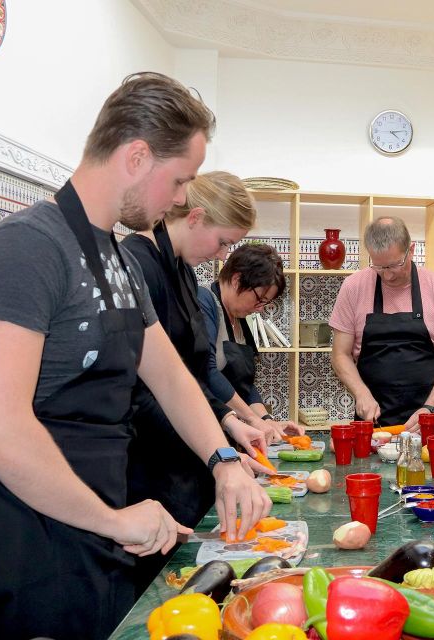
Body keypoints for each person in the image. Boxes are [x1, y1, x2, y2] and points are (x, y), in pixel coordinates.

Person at [0, 72, 270, 640]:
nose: (181, 199)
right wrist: (112, 520)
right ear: (138, 156)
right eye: (180, 180)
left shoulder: (114, 258)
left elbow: (169, 375)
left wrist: (224, 461)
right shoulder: (26, 248)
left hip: (87, 527)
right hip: (16, 532)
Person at [121, 172, 287, 592]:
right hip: (149, 466)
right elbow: (147, 388)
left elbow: (190, 377)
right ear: (194, 217)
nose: (223, 255)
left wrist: (229, 428)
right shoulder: (138, 262)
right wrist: (220, 453)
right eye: (224, 242)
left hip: (185, 459)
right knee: (161, 595)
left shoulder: (182, 274)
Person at [330, 216, 434, 430]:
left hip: (427, 418)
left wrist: (429, 409)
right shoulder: (353, 287)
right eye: (379, 267)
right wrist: (361, 394)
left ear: (411, 250)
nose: (387, 276)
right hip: (372, 421)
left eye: (394, 265)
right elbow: (340, 354)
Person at [198, 243, 302, 441]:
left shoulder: (240, 318)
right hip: (207, 431)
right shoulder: (205, 302)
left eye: (265, 302)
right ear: (237, 280)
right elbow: (207, 371)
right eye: (259, 299)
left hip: (233, 433)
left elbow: (244, 384)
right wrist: (252, 420)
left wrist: (266, 419)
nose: (260, 308)